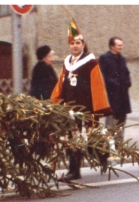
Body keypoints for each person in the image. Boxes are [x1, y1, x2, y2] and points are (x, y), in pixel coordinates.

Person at [51, 17, 112, 180]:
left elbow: (98, 85)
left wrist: (98, 109)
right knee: (72, 139)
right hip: (70, 109)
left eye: (78, 43)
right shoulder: (67, 62)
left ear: (83, 45)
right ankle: (74, 171)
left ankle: (102, 156)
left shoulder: (91, 62)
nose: (75, 46)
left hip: (86, 108)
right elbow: (61, 83)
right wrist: (54, 102)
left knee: (88, 138)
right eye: (72, 43)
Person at [98, 36, 132, 137]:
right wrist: (113, 84)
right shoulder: (104, 58)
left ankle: (119, 144)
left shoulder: (122, 59)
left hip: (123, 95)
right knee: (111, 123)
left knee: (122, 121)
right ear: (112, 46)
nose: (121, 47)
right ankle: (109, 144)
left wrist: (127, 83)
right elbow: (102, 76)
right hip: (112, 95)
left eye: (122, 45)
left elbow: (126, 73)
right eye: (119, 45)